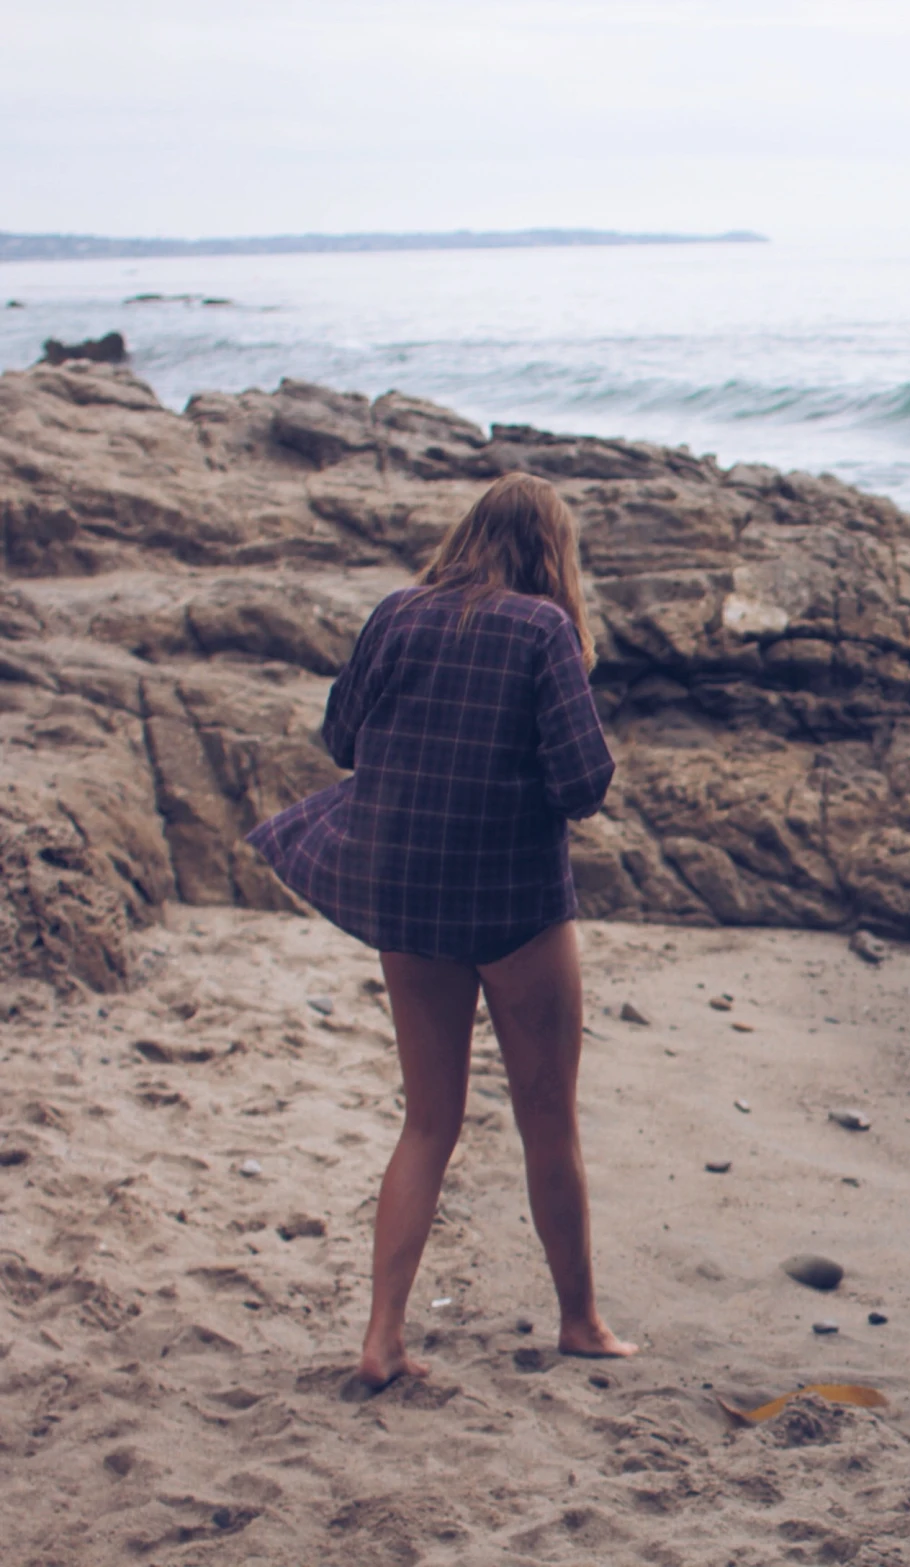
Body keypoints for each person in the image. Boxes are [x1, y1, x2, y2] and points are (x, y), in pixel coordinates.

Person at [249, 472, 636, 1387]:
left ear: (469, 533)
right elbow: (584, 785)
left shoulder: (396, 612)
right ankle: (579, 1321)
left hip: (409, 895)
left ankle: (382, 1338)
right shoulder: (544, 631)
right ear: (552, 551)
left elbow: (340, 738)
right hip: (512, 903)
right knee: (549, 1121)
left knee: (428, 1122)